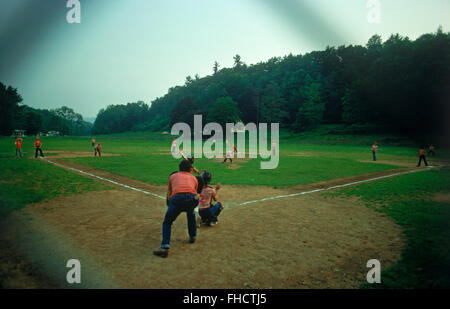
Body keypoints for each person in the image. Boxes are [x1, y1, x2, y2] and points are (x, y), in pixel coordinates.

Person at [154, 160, 200, 258]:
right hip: (193, 198)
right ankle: (193, 236)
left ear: (179, 169)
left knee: (167, 222)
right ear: (190, 169)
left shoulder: (172, 176)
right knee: (190, 212)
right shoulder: (193, 178)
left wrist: (172, 206)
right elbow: (194, 192)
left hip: (177, 199)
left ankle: (165, 247)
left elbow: (169, 195)